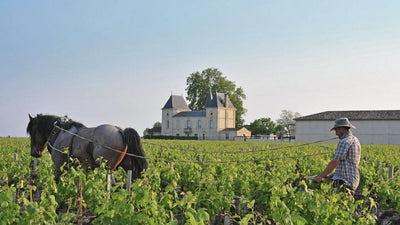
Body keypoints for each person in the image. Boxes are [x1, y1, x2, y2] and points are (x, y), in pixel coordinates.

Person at [313, 117, 361, 191]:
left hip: (344, 182)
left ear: (341, 129)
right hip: (353, 180)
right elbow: (348, 162)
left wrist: (320, 176)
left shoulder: (344, 141)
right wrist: (336, 174)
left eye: (336, 130)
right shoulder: (355, 139)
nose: (336, 134)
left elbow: (335, 161)